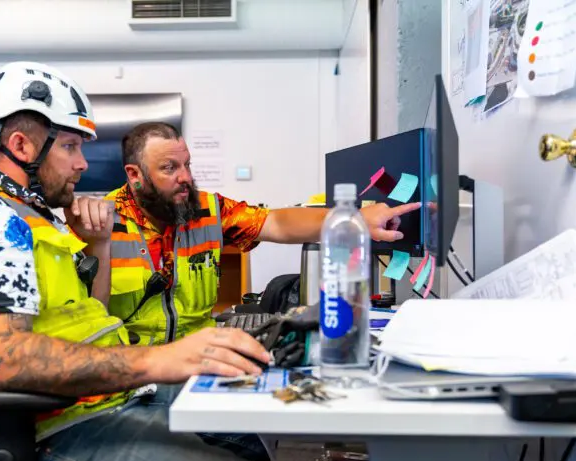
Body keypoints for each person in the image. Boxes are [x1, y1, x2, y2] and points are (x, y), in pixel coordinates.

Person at [0, 62, 280, 461]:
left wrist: (97, 244)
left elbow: (84, 322)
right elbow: (6, 361)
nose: (82, 163)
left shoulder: (32, 219)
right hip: (46, 435)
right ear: (22, 146)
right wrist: (160, 359)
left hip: (97, 403)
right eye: (71, 147)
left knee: (254, 419)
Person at [104, 122, 420, 346]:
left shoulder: (208, 209)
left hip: (199, 356)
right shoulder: (101, 224)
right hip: (136, 372)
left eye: (187, 164)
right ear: (135, 176)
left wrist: (354, 219)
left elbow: (276, 223)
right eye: (170, 168)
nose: (186, 177)